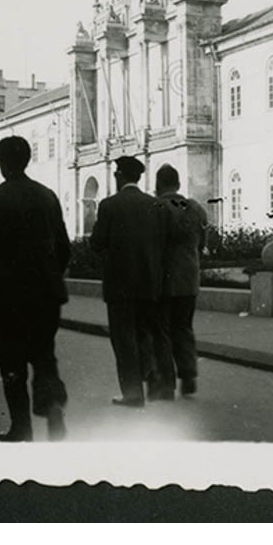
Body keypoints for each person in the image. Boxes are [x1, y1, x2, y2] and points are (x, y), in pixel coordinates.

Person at [0, 135, 70, 442]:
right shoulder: (47, 196)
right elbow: (64, 247)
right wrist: (50, 275)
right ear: (27, 161)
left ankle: (21, 428)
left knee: (12, 364)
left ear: (2, 164)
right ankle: (54, 415)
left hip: (7, 297)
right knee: (44, 357)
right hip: (45, 295)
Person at [89, 155, 174, 406]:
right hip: (150, 283)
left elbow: (97, 243)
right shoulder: (155, 205)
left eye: (116, 174)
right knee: (147, 334)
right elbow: (165, 243)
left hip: (120, 286)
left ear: (119, 176)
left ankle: (133, 393)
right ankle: (154, 380)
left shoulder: (109, 205)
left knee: (124, 340)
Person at [155, 164, 208, 396]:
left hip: (164, 280)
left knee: (162, 330)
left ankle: (166, 383)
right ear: (177, 184)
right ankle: (188, 374)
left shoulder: (157, 208)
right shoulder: (195, 208)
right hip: (189, 278)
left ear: (159, 185)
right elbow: (202, 242)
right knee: (184, 327)